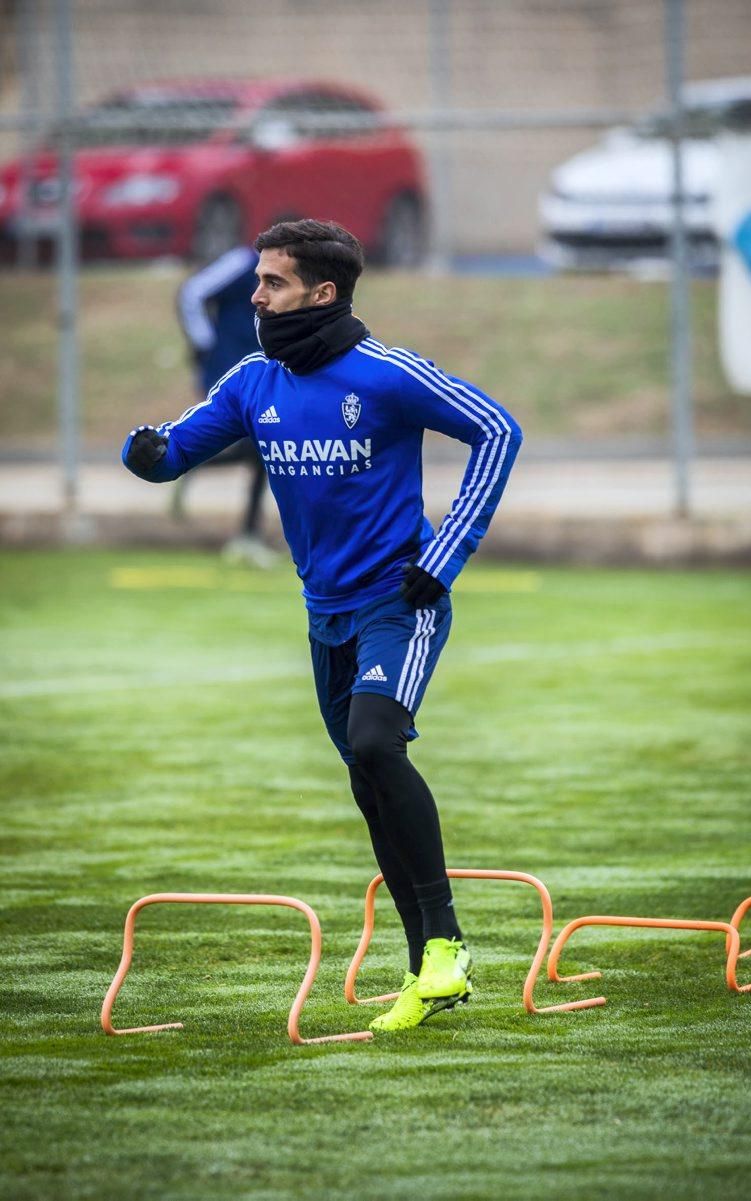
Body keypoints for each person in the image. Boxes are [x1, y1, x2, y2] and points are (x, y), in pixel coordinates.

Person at [122, 219, 522, 1032]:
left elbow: (498, 429)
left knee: (377, 741)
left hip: (399, 602)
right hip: (324, 613)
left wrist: (444, 554)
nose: (255, 295)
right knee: (368, 782)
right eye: (257, 280)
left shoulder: (385, 373)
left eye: (271, 282)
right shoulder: (251, 380)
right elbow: (175, 454)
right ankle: (429, 972)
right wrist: (147, 454)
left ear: (323, 291)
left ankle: (447, 943)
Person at [175, 245, 275, 567]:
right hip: (227, 375)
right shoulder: (242, 262)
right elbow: (191, 293)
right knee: (262, 449)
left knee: (264, 450)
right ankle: (183, 460)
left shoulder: (291, 275)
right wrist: (204, 346)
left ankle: (188, 463)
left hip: (261, 376)